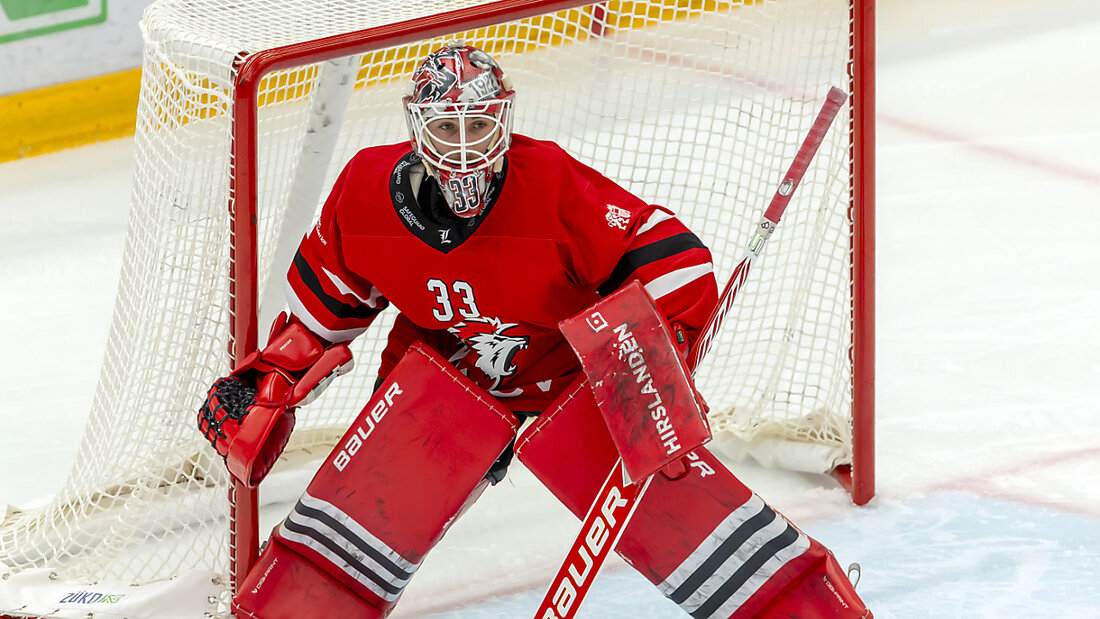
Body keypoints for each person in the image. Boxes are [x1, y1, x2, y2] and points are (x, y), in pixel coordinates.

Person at [198, 42, 871, 618]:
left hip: (573, 377)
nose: (465, 147)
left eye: (480, 125)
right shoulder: (363, 193)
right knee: (351, 527)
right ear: (416, 128)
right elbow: (318, 320)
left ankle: (804, 605)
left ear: (505, 119)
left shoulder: (548, 182)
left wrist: (653, 365)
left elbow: (673, 261)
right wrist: (269, 381)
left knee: (686, 513)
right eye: (447, 128)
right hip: (448, 381)